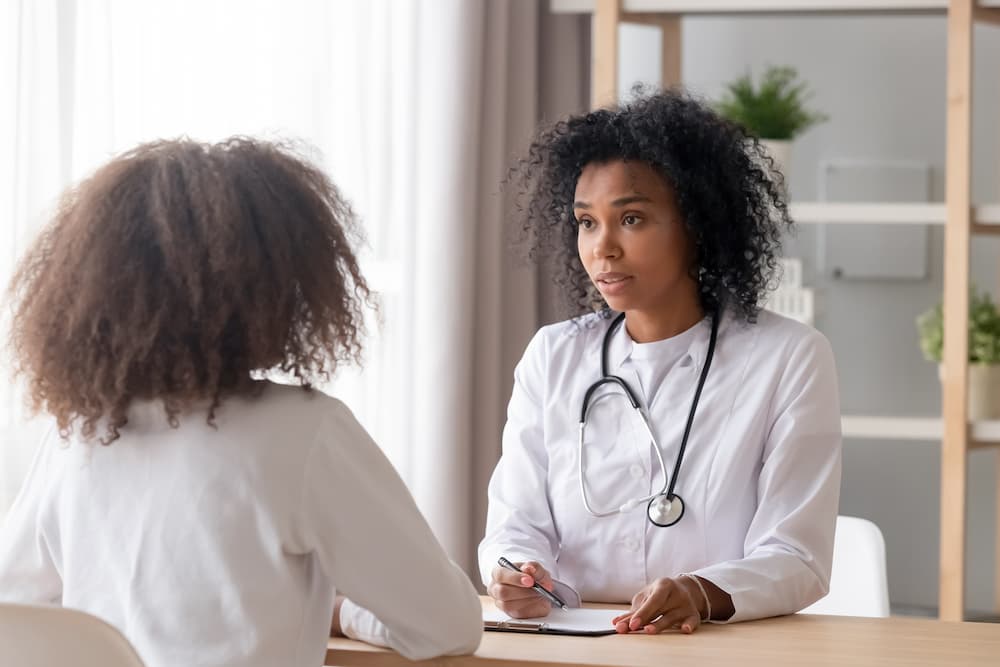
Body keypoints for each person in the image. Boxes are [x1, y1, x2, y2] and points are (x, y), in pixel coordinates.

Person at [0, 138, 482, 666]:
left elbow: (14, 609)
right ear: (280, 283)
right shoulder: (304, 431)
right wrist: (345, 614)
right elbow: (447, 625)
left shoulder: (79, 434)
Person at [479, 89, 842, 634]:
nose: (602, 249)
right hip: (573, 647)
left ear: (697, 225)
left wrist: (700, 592)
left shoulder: (788, 357)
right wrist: (517, 573)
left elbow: (798, 556)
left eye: (631, 219)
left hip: (718, 648)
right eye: (586, 222)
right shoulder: (553, 356)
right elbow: (515, 525)